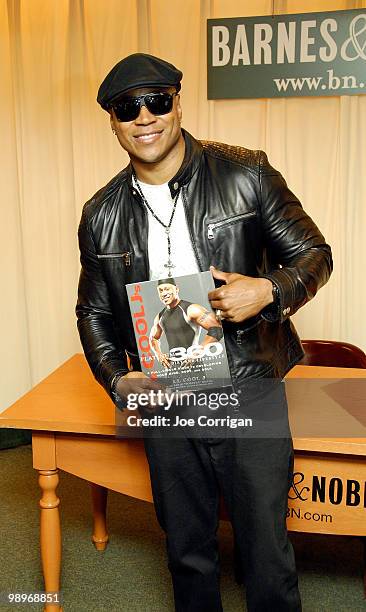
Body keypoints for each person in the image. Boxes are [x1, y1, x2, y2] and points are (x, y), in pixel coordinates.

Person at [76, 53, 332, 611]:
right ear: (113, 122)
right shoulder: (101, 214)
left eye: (157, 102)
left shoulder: (245, 172)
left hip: (249, 386)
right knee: (187, 549)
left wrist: (268, 292)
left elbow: (314, 255)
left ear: (176, 102)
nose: (144, 118)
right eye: (127, 109)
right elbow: (92, 313)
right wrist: (119, 381)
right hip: (166, 398)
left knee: (266, 550)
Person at [150, 277, 223, 369]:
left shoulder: (191, 309)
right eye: (160, 291)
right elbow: (154, 338)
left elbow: (217, 328)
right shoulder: (160, 317)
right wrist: (159, 355)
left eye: (167, 289)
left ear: (176, 289)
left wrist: (198, 351)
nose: (164, 293)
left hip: (194, 366)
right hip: (173, 370)